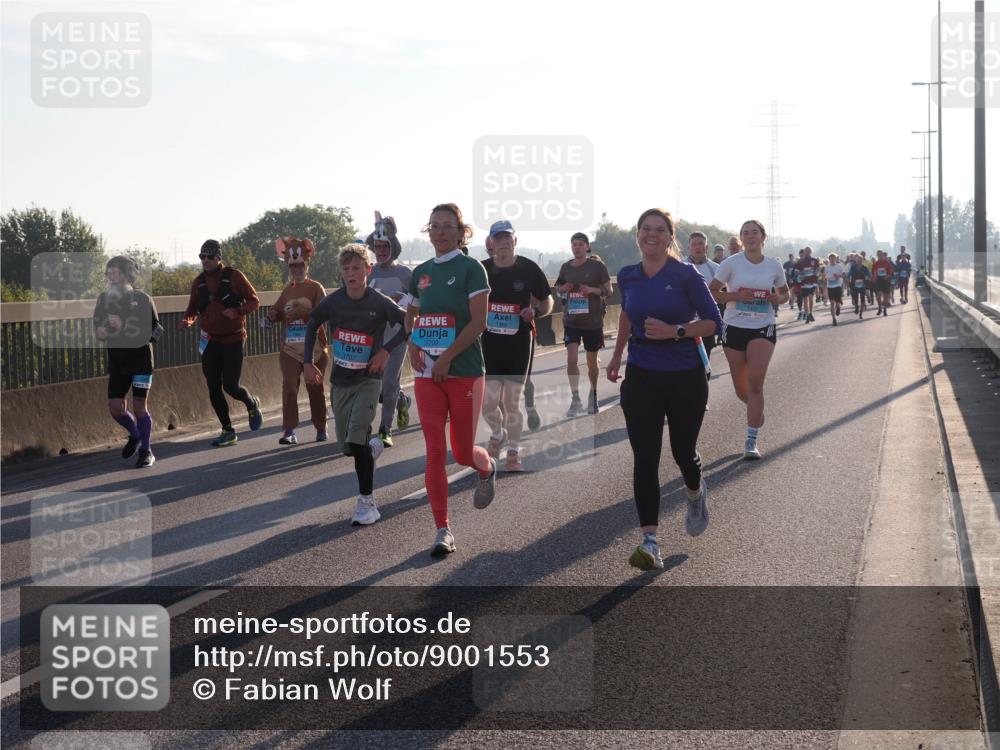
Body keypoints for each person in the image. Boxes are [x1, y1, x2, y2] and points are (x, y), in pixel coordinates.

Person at [607, 209, 722, 571]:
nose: (651, 235)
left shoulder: (685, 275)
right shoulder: (628, 276)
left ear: (670, 237)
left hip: (685, 372)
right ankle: (650, 541)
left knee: (683, 452)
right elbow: (626, 315)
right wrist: (615, 357)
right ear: (637, 234)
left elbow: (714, 323)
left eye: (659, 230)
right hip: (641, 373)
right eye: (645, 229)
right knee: (645, 457)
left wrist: (676, 332)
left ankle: (694, 490)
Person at [405, 203, 496, 556]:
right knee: (433, 452)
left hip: (464, 371)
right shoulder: (421, 272)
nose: (441, 232)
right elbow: (413, 313)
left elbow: (478, 323)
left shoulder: (472, 269)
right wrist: (413, 340)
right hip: (427, 374)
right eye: (435, 226)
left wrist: (447, 358)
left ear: (461, 232)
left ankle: (485, 465)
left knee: (460, 453)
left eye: (448, 226)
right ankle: (443, 529)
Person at [303, 243, 406, 526]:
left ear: (367, 271)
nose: (351, 273)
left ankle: (366, 504)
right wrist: (307, 363)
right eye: (346, 268)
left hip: (369, 381)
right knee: (348, 447)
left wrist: (386, 350)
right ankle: (372, 449)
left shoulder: (378, 301)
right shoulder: (334, 301)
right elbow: (312, 324)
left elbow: (408, 322)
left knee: (356, 438)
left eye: (357, 268)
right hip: (341, 382)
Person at [709, 220, 789, 460]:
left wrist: (777, 299)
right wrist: (737, 295)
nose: (750, 236)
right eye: (745, 233)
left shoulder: (774, 265)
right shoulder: (731, 263)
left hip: (762, 327)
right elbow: (711, 292)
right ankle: (756, 410)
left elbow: (785, 293)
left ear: (763, 237)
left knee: (755, 383)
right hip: (734, 327)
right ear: (741, 239)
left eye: (755, 232)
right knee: (741, 389)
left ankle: (751, 440)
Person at [480, 220, 554, 472]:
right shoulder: (482, 270)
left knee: (512, 402)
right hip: (488, 344)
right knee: (488, 405)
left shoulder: (528, 269)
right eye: (497, 238)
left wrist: (534, 311)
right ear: (491, 242)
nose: (502, 243)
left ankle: (513, 451)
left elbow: (547, 302)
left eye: (507, 238)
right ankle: (497, 433)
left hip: (518, 342)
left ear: (515, 240)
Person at [178, 240, 263, 447]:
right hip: (210, 341)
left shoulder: (234, 276)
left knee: (231, 386)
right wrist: (187, 321)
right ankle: (228, 430)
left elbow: (254, 300)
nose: (205, 261)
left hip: (233, 338)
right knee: (213, 386)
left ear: (218, 257)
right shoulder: (198, 282)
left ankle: (251, 404)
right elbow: (192, 309)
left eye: (210, 257)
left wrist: (238, 311)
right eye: (202, 257)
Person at [94, 256, 163, 468]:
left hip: (141, 360)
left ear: (128, 275)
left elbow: (157, 330)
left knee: (139, 406)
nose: (113, 278)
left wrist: (125, 325)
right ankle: (135, 434)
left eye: (118, 273)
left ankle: (146, 450)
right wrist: (103, 330)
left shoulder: (142, 298)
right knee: (115, 408)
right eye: (110, 273)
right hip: (118, 361)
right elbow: (98, 330)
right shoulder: (103, 299)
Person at [267, 237, 329, 445]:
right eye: (292, 266)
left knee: (314, 388)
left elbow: (323, 315)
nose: (296, 269)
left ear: (307, 264)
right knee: (290, 386)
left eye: (300, 265)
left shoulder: (316, 288)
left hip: (315, 350)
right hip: (290, 349)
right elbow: (277, 309)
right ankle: (289, 430)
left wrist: (302, 311)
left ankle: (320, 426)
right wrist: (273, 314)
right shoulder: (287, 290)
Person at [365, 212, 413, 447]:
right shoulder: (368, 272)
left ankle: (385, 429)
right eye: (377, 247)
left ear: (393, 246)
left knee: (391, 383)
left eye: (384, 246)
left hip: (397, 337)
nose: (381, 251)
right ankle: (402, 401)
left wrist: (401, 299)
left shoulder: (405, 273)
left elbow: (417, 300)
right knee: (377, 386)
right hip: (373, 338)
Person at [556, 232, 613, 416]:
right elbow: (558, 290)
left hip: (592, 322)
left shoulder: (597, 266)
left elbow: (609, 290)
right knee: (571, 359)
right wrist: (562, 289)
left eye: (580, 244)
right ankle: (575, 399)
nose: (577, 247)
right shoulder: (565, 267)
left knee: (591, 362)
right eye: (574, 244)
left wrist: (592, 290)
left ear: (587, 247)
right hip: (571, 320)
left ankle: (593, 393)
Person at [685, 231, 720, 357]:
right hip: (685, 324)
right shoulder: (678, 266)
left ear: (706, 247)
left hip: (705, 325)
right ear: (689, 247)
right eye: (694, 244)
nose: (697, 247)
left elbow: (722, 295)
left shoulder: (716, 268)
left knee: (704, 367)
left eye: (701, 244)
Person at [795, 246, 819, 323]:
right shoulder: (800, 262)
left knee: (811, 298)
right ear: (804, 252)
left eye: (809, 251)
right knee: (805, 300)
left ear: (811, 252)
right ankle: (807, 315)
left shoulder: (814, 260)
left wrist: (816, 272)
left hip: (812, 282)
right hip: (804, 283)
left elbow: (818, 269)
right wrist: (800, 274)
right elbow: (796, 271)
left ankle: (810, 313)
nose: (807, 252)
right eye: (806, 251)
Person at [871, 250, 895, 317]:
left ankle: (884, 310)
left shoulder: (886, 263)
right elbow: (872, 273)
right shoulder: (875, 264)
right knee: (878, 296)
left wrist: (887, 276)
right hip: (878, 281)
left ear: (882, 255)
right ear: (877, 255)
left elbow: (891, 271)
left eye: (880, 254)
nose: (879, 256)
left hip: (885, 281)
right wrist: (873, 278)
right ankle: (879, 308)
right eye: (878, 255)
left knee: (885, 297)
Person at [826, 252, 845, 325]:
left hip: (837, 286)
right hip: (830, 286)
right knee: (832, 303)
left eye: (833, 258)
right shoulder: (827, 267)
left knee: (837, 302)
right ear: (829, 259)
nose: (832, 260)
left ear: (835, 259)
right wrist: (826, 278)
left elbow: (843, 275)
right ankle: (834, 319)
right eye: (830, 258)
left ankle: (838, 307)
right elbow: (825, 275)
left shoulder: (839, 266)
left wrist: (838, 276)